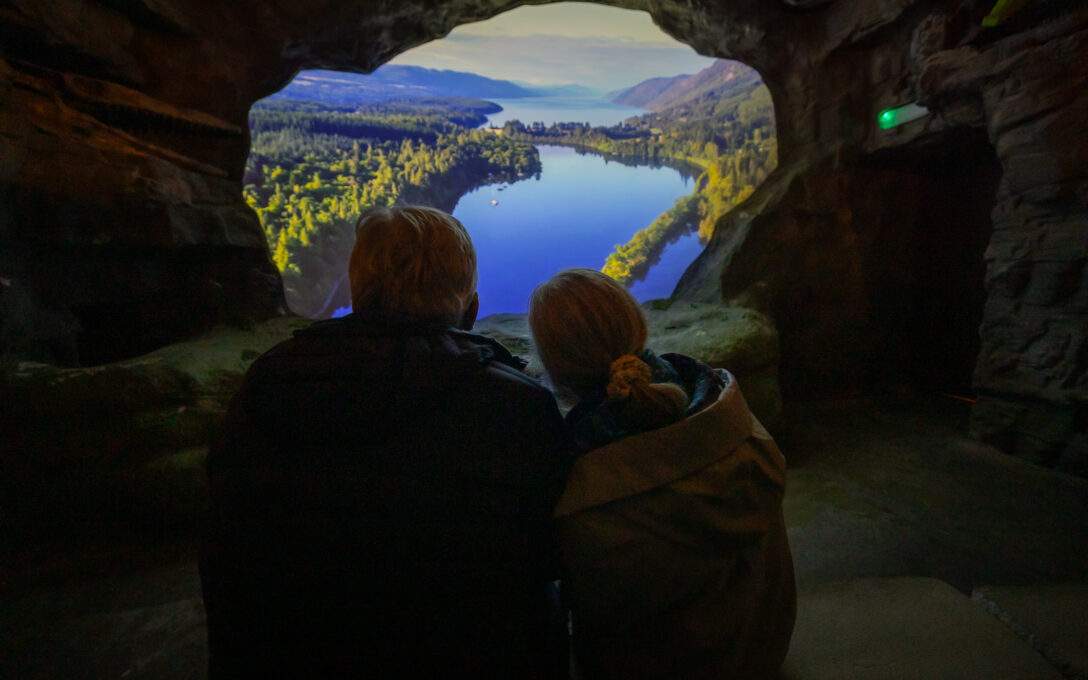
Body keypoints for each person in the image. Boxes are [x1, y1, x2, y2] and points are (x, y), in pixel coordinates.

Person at [200, 206, 573, 679]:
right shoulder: (516, 406)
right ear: (472, 310)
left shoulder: (267, 384)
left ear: (358, 295)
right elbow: (553, 554)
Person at [529, 268, 796, 680]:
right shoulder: (726, 412)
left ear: (556, 370)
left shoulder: (580, 482)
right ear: (637, 325)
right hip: (760, 648)